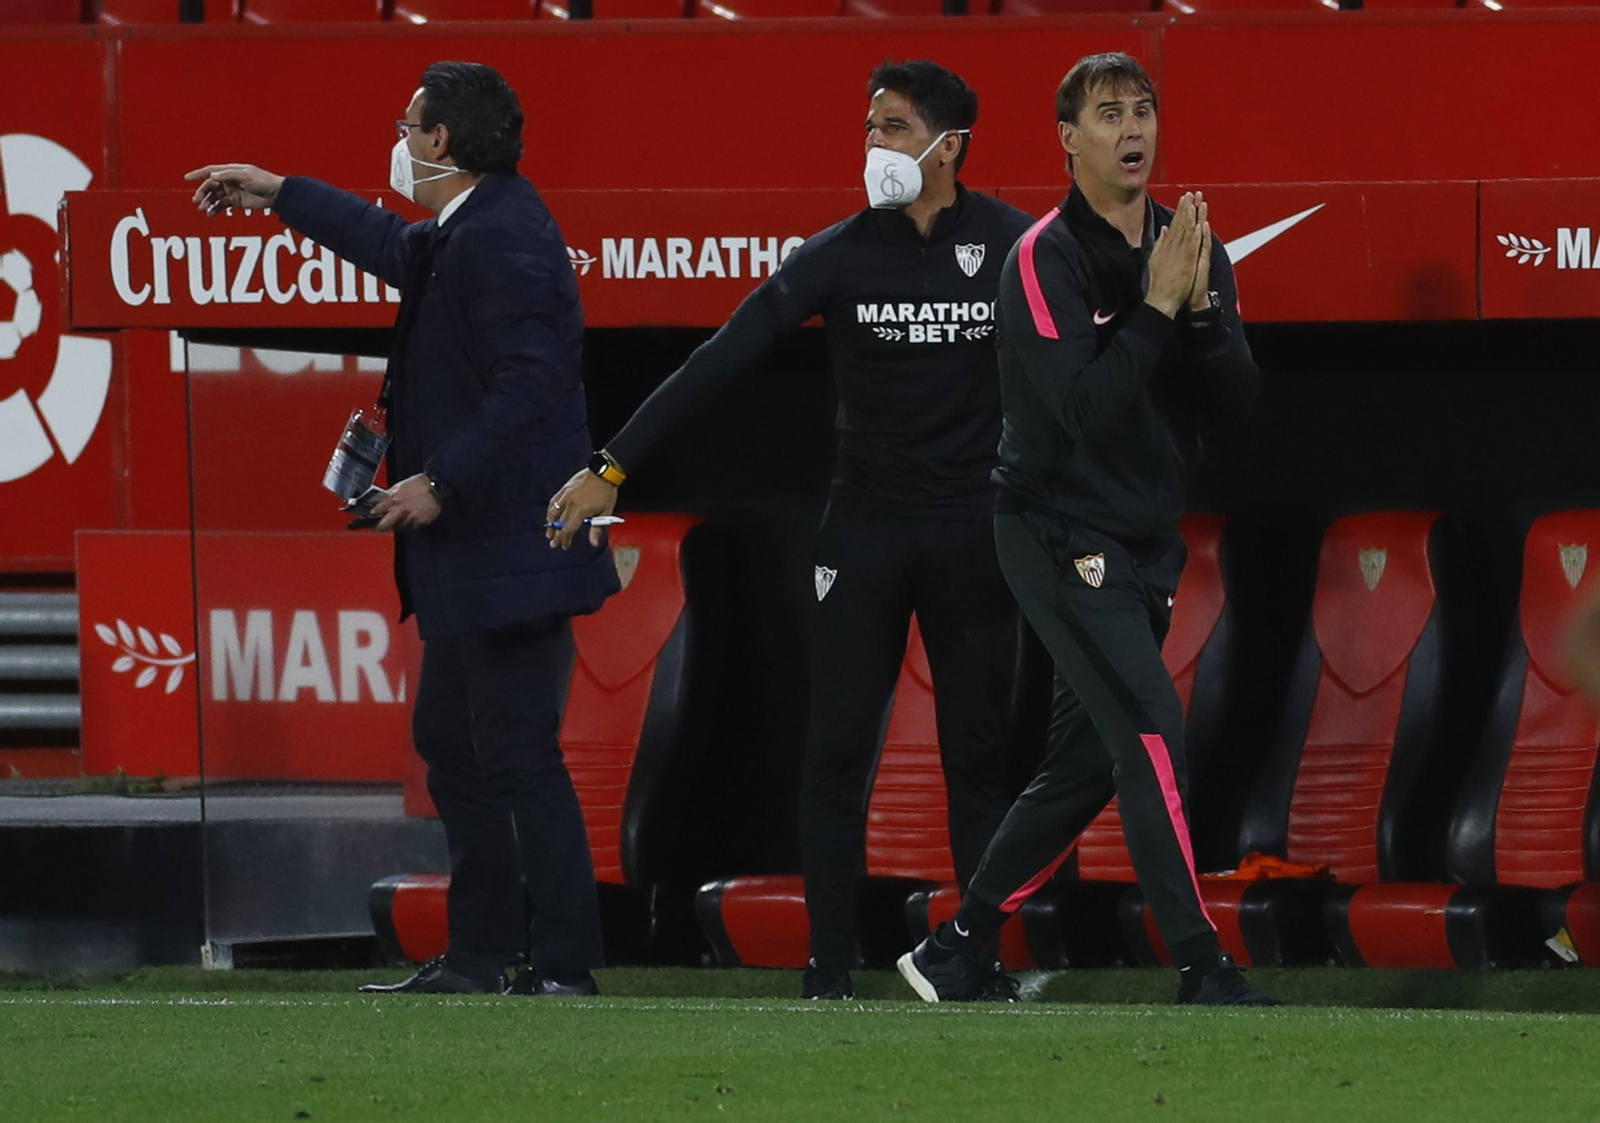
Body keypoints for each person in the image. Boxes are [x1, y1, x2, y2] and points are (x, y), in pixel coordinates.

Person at [548, 60, 1031, 1001]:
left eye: (894, 127)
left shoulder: (1016, 245)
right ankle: (829, 965)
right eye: (871, 127)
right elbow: (719, 357)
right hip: (863, 536)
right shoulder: (838, 253)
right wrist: (611, 464)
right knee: (836, 751)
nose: (875, 145)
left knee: (977, 758)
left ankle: (977, 960)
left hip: (973, 536)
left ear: (950, 146)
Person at [186, 61, 620, 997]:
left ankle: (564, 966)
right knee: (456, 744)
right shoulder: (471, 226)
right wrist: (279, 192)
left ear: (440, 141)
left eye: (407, 125)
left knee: (515, 751)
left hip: (516, 546)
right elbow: (385, 240)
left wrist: (440, 479)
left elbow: (531, 384)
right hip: (482, 553)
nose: (399, 139)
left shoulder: (505, 238)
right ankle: (481, 954)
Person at [897, 52, 1278, 1006]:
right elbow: (1078, 410)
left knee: (1083, 763)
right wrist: (1156, 308)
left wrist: (1201, 317)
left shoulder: (1190, 246)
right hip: (1055, 531)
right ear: (1069, 139)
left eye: (1143, 109)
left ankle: (956, 947)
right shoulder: (1044, 258)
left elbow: (1237, 405)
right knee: (1150, 731)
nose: (1132, 127)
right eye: (1109, 113)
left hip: (1145, 544)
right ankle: (1202, 963)